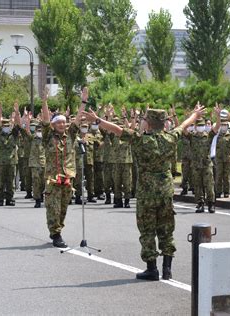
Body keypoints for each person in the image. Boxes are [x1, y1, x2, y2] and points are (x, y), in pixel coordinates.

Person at [83, 103, 205, 281]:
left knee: (147, 230)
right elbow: (183, 125)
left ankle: (152, 269)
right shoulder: (171, 138)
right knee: (166, 230)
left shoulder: (139, 140)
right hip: (165, 191)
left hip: (147, 192)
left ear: (148, 123)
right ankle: (167, 269)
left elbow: (117, 130)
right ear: (164, 123)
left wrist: (98, 120)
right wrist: (195, 114)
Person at [41, 88, 86, 248]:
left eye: (63, 122)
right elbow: (45, 121)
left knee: (63, 208)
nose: (62, 124)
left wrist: (83, 102)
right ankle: (56, 233)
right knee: (52, 207)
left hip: (67, 177)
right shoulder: (48, 137)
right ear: (53, 125)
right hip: (53, 178)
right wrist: (44, 101)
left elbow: (78, 119)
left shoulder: (71, 135)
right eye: (58, 122)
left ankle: (58, 228)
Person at [0, 102, 21, 206]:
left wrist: (17, 113)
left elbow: (18, 125)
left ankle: (9, 198)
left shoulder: (13, 135)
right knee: (0, 181)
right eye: (4, 125)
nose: (6, 127)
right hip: (1, 162)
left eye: (7, 125)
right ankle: (0, 198)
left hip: (11, 162)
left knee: (10, 181)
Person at [187, 115, 216, 213]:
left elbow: (216, 128)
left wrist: (219, 117)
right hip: (196, 165)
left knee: (209, 185)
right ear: (195, 126)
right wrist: (192, 115)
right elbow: (183, 129)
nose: (201, 127)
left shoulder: (208, 135)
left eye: (202, 125)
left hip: (206, 164)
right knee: (198, 185)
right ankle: (200, 204)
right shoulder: (192, 136)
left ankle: (211, 204)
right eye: (199, 125)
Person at [212, 106, 230, 198]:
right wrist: (217, 116)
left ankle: (227, 192)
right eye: (222, 125)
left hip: (228, 158)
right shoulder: (217, 135)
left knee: (227, 176)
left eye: (225, 125)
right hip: (219, 158)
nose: (223, 126)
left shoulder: (229, 134)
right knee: (218, 175)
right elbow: (215, 127)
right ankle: (218, 191)